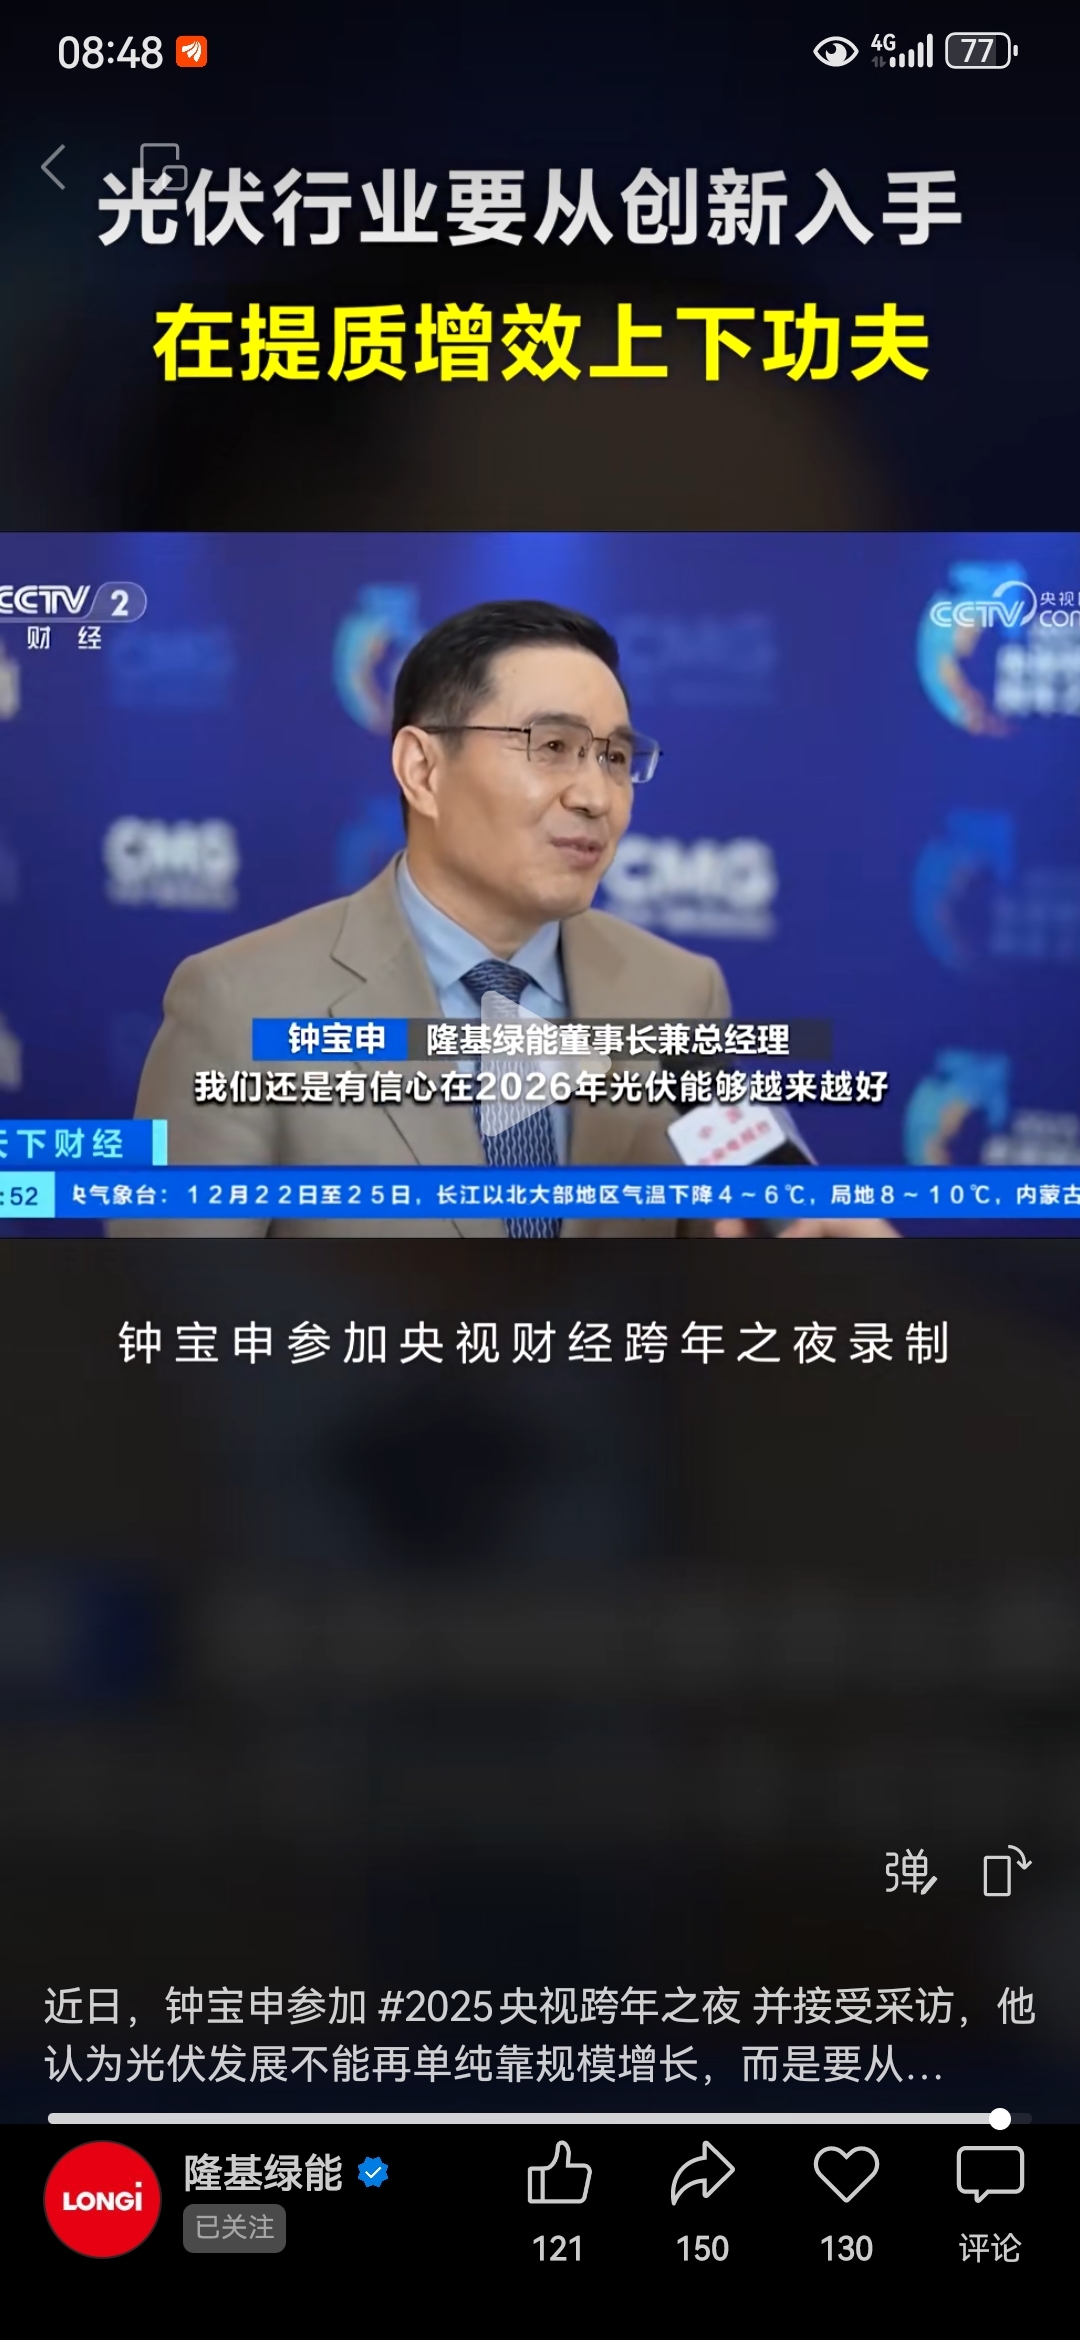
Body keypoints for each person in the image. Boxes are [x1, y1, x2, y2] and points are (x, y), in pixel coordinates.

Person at [115, 599, 893, 1239]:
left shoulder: (678, 992)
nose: (595, 795)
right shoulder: (240, 1004)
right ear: (423, 769)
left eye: (616, 759)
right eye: (552, 746)